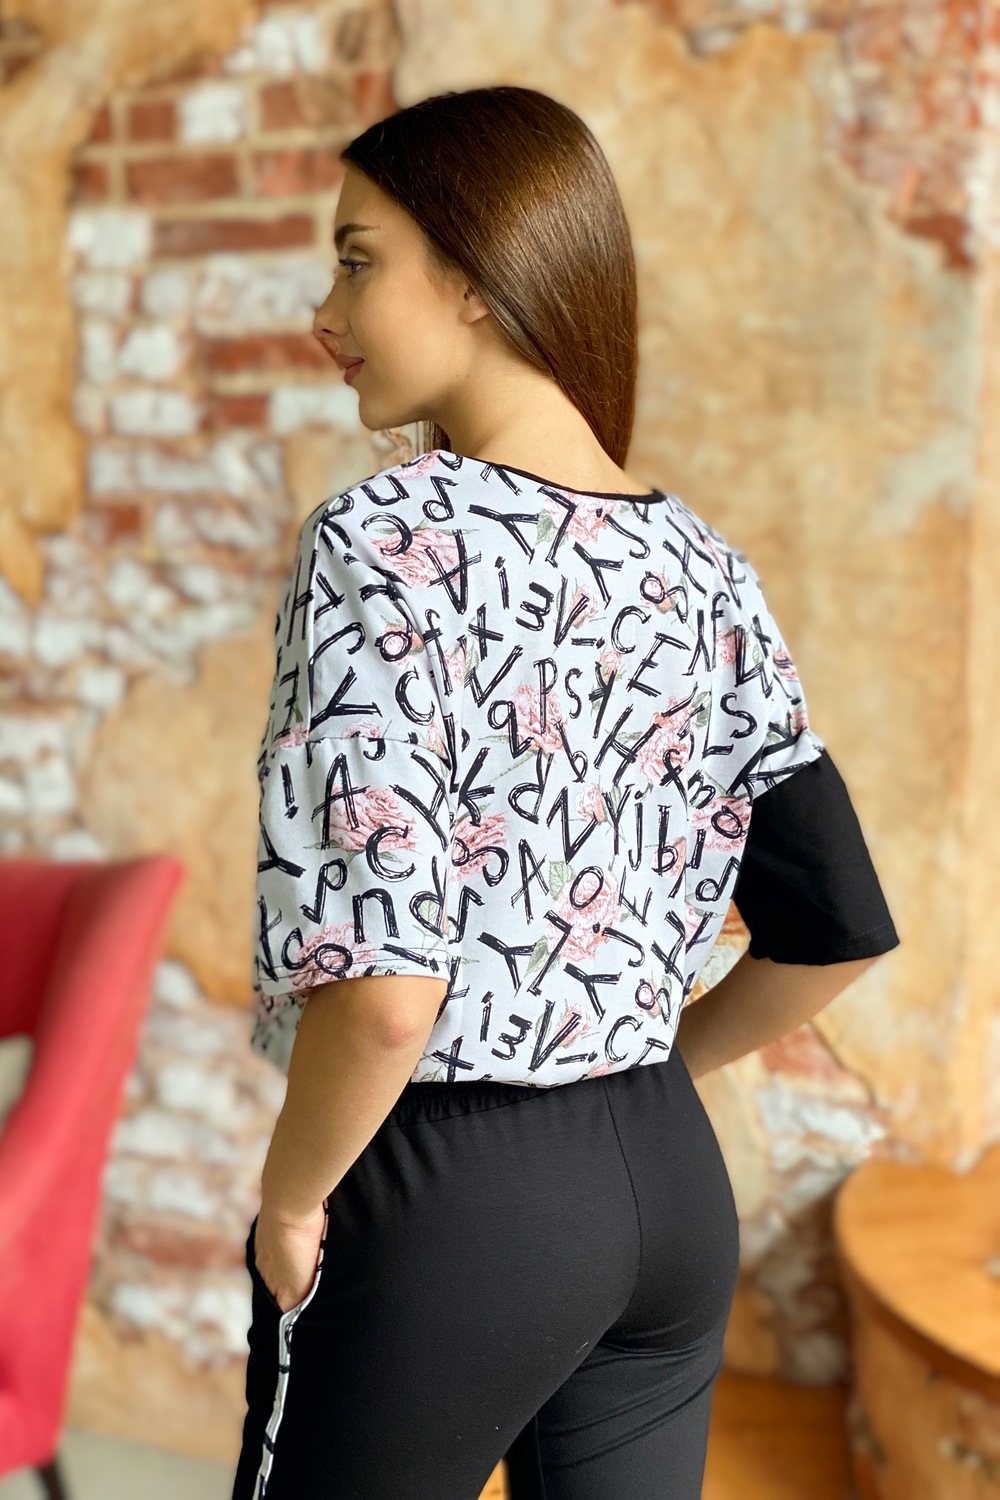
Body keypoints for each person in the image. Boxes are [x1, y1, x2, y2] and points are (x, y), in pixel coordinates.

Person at [231, 85, 899, 1500]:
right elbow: (836, 925)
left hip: (449, 1200)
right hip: (668, 1190)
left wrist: (289, 1200)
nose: (323, 312)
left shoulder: (381, 539)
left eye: (356, 260)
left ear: (479, 274)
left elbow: (389, 990)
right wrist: (641, 1074)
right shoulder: (703, 568)